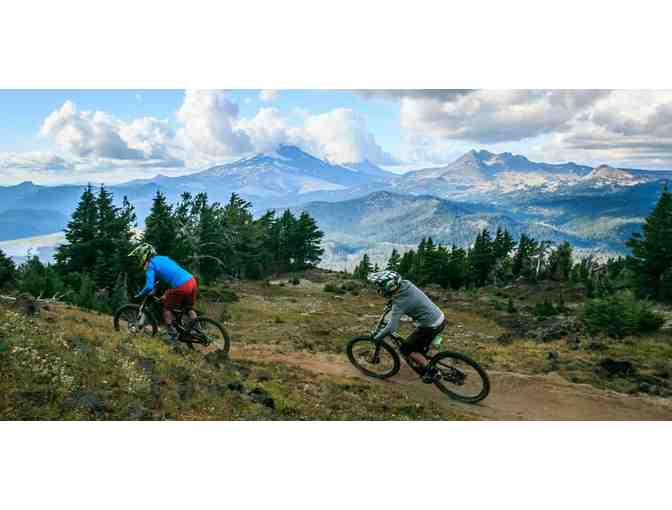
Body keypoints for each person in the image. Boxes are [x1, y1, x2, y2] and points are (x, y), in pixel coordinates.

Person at [368, 271, 446, 383]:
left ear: (389, 287)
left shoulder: (400, 303)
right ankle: (422, 358)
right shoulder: (406, 284)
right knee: (418, 345)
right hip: (439, 317)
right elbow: (398, 297)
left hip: (431, 326)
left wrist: (378, 338)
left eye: (380, 287)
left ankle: (432, 372)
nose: (379, 289)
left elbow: (391, 328)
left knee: (406, 349)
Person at [129, 243, 198, 345]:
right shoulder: (163, 258)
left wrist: (140, 294)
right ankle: (196, 330)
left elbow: (149, 286)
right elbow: (167, 274)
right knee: (189, 309)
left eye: (138, 257)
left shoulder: (150, 265)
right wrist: (160, 290)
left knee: (167, 310)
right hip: (192, 281)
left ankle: (172, 337)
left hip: (181, 285)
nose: (138, 259)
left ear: (143, 255)